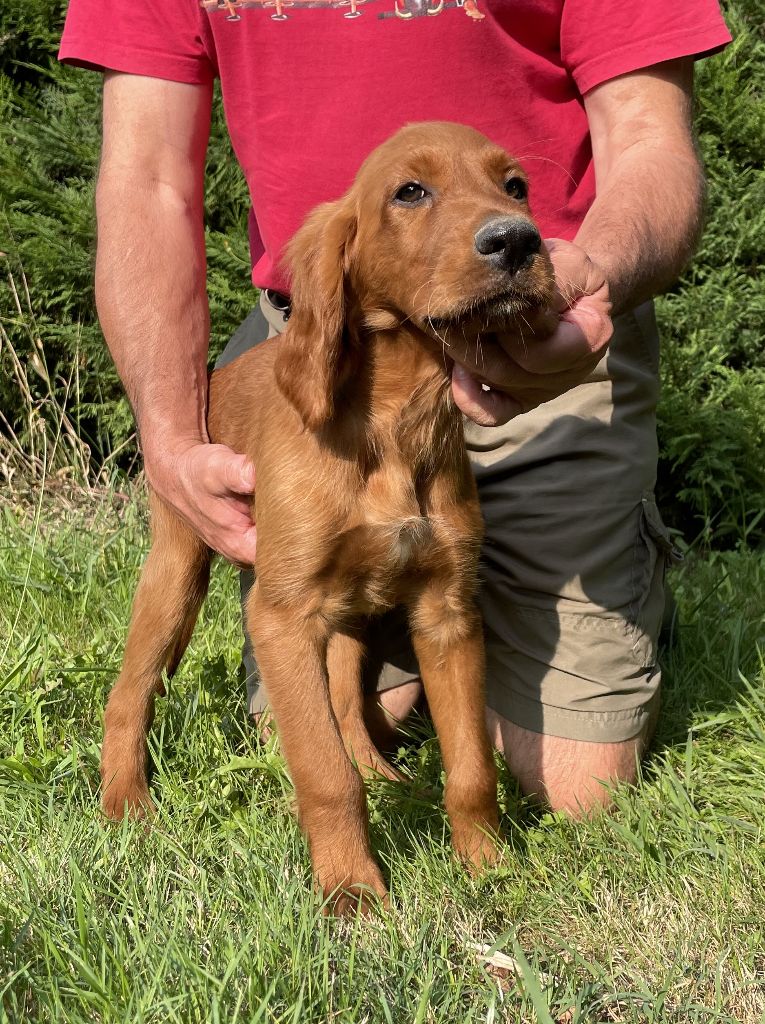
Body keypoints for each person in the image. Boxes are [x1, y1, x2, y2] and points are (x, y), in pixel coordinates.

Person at [59, 0, 730, 815]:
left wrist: (595, 280)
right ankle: (129, 726)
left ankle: (615, 593)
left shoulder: (530, 262)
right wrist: (169, 441)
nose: (502, 211)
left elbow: (649, 137)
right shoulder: (330, 257)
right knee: (335, 709)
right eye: (414, 191)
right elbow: (147, 179)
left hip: (549, 338)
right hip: (326, 337)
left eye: (509, 186)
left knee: (578, 789)